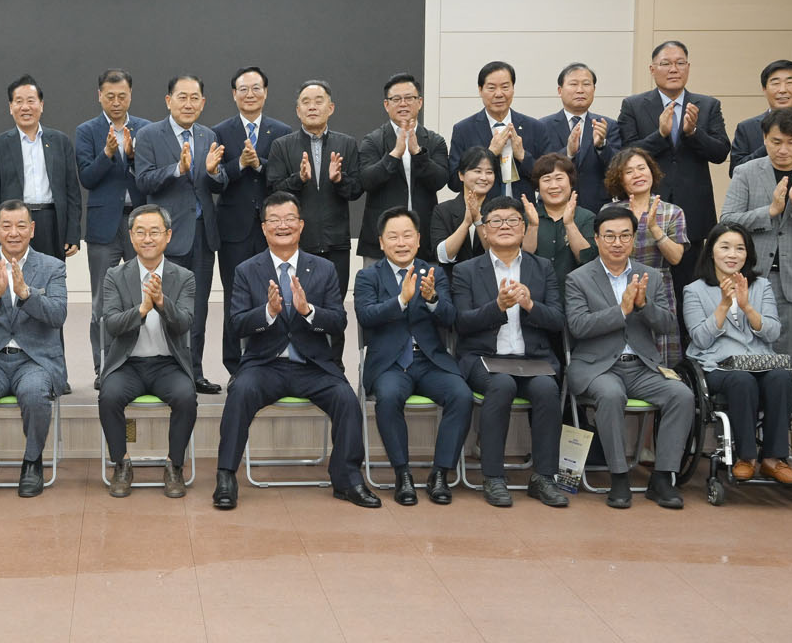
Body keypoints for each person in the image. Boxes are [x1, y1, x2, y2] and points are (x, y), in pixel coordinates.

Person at [212, 193, 381, 511]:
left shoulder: (324, 268)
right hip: (265, 364)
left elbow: (338, 322)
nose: (283, 226)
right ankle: (226, 477)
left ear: (301, 225)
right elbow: (236, 325)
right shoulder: (247, 270)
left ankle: (348, 480)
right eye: (274, 220)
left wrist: (308, 311)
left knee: (346, 399)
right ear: (264, 228)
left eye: (289, 219)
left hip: (312, 365)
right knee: (240, 392)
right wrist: (268, 312)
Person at [564, 205, 696, 509]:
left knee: (682, 395)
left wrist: (643, 306)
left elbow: (667, 325)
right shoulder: (578, 278)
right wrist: (621, 311)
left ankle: (662, 478)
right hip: (598, 368)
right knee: (611, 395)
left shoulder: (650, 275)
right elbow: (578, 327)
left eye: (625, 235)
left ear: (634, 239)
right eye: (609, 236)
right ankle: (619, 477)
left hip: (642, 367)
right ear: (597, 239)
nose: (617, 242)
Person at [450, 197, 568, 508]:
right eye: (496, 221)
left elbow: (557, 321)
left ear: (524, 228)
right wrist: (497, 307)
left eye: (513, 220)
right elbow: (461, 322)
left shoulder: (542, 268)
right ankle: (493, 477)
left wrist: (530, 305)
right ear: (485, 230)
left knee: (547, 389)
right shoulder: (465, 270)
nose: (505, 226)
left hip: (533, 360)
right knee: (501, 385)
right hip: (483, 358)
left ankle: (544, 477)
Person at [354, 206, 473, 506]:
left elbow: (451, 318)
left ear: (418, 240)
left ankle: (440, 474)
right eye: (393, 237)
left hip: (430, 361)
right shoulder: (368, 276)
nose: (401, 243)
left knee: (461, 395)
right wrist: (401, 300)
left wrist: (432, 299)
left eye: (407, 235)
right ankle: (402, 474)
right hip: (391, 365)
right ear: (381, 242)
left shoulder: (433, 273)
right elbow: (366, 316)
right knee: (388, 397)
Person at [0, 200, 69, 498]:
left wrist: (26, 294)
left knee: (35, 394)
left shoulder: (53, 267)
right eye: (6, 226)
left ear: (32, 229)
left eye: (21, 226)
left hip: (34, 359)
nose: (14, 233)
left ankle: (32, 463)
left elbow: (58, 315)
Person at [683, 223, 792, 483]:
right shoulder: (694, 290)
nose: (732, 254)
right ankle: (746, 457)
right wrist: (724, 305)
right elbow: (700, 339)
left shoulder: (761, 286)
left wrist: (747, 307)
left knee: (781, 378)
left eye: (740, 248)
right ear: (711, 251)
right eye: (725, 247)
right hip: (717, 365)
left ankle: (773, 459)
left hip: (759, 360)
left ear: (748, 253)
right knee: (741, 380)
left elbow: (773, 332)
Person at [97, 204, 199, 498]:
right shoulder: (115, 275)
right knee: (108, 396)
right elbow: (112, 324)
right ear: (131, 237)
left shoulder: (184, 277)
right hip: (128, 364)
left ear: (168, 235)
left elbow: (184, 324)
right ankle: (121, 463)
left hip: (168, 364)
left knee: (186, 397)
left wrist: (162, 303)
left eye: (155, 232)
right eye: (140, 232)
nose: (147, 239)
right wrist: (141, 309)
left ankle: (174, 465)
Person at [134, 74, 227, 391]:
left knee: (197, 310)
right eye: (182, 97)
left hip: (202, 234)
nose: (188, 103)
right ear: (168, 100)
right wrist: (178, 169)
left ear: (203, 102)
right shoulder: (148, 135)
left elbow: (218, 183)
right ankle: (165, 372)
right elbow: (143, 181)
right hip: (166, 236)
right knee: (164, 307)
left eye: (194, 98)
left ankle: (194, 372)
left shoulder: (208, 134)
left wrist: (214, 172)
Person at [719, 107, 792, 364]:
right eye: (776, 142)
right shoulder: (746, 172)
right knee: (745, 350)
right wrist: (769, 211)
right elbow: (727, 221)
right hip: (751, 274)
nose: (783, 150)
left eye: (791, 142)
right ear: (764, 139)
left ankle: (785, 390)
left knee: (785, 356)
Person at [616, 41, 729, 285]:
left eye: (680, 63)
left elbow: (721, 152)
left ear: (688, 67)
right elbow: (625, 154)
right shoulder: (633, 105)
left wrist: (693, 132)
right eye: (666, 63)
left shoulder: (708, 105)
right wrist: (660, 135)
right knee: (645, 285)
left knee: (690, 288)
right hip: (648, 210)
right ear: (652, 69)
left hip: (693, 211)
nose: (674, 69)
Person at [212, 65, 295, 379]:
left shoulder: (282, 132)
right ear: (234, 94)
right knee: (235, 298)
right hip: (233, 230)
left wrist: (259, 164)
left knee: (273, 294)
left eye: (256, 88)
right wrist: (238, 164)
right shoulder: (219, 132)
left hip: (273, 228)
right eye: (243, 89)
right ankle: (234, 365)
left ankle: (269, 358)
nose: (250, 94)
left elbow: (285, 178)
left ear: (266, 92)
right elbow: (215, 180)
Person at [77, 69, 148, 380]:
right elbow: (87, 177)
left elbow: (149, 177)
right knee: (101, 300)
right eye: (110, 96)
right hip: (104, 225)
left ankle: (140, 362)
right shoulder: (87, 131)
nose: (116, 102)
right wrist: (107, 153)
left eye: (122, 96)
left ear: (130, 95)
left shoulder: (146, 129)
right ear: (99, 96)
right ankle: (103, 365)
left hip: (139, 224)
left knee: (140, 296)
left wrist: (131, 157)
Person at [264, 79, 362, 295]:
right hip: (297, 244)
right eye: (306, 102)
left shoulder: (346, 143)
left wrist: (339, 180)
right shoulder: (281, 145)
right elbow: (274, 190)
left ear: (331, 108)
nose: (312, 107)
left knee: (334, 305)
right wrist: (298, 179)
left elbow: (356, 190)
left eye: (319, 101)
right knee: (296, 304)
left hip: (336, 243)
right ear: (298, 110)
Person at [0, 74, 80, 262]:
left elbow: (72, 192)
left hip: (51, 223)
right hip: (14, 226)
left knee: (51, 276)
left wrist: (73, 233)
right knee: (13, 276)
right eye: (19, 101)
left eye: (31, 101)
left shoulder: (60, 141)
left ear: (41, 105)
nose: (25, 107)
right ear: (10, 107)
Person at [604, 146, 688, 362]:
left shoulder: (672, 211)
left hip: (659, 285)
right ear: (620, 180)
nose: (637, 174)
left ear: (652, 171)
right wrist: (630, 226)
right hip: (619, 284)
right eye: (629, 171)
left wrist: (653, 227)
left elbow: (676, 258)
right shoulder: (610, 212)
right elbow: (609, 255)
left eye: (642, 168)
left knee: (661, 354)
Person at [356, 72, 450, 267]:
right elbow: (366, 180)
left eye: (409, 98)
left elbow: (440, 180)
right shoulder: (372, 141)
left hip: (423, 239)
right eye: (396, 99)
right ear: (386, 105)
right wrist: (394, 154)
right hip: (380, 242)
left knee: (426, 287)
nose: (403, 104)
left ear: (419, 102)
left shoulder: (434, 141)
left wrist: (418, 153)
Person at [449, 61, 549, 198]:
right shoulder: (464, 130)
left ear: (513, 88)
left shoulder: (535, 127)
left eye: (505, 87)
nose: (499, 94)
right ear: (480, 90)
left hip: (522, 208)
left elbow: (548, 178)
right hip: (481, 209)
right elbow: (454, 182)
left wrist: (523, 156)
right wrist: (489, 154)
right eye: (491, 88)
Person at [539, 62, 620, 213]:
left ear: (594, 89)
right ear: (560, 90)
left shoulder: (608, 125)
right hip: (555, 207)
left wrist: (602, 146)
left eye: (586, 84)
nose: (580, 90)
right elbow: (539, 170)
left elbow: (618, 168)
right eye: (573, 84)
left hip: (598, 208)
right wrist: (568, 153)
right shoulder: (542, 126)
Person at [730, 59, 792, 170]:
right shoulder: (747, 128)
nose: (782, 90)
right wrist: (770, 144)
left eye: (789, 83)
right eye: (775, 83)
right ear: (764, 89)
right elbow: (735, 170)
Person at [525, 153, 595, 302]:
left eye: (559, 178)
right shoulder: (528, 217)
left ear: (571, 182)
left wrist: (569, 224)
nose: (553, 186)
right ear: (538, 186)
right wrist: (532, 226)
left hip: (577, 296)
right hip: (534, 297)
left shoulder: (586, 217)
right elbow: (523, 259)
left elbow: (587, 259)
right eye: (546, 180)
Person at [428, 147, 498, 267]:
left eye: (489, 172)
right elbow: (442, 256)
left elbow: (498, 252)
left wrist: (478, 220)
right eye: (477, 171)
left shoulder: (499, 209)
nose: (484, 177)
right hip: (453, 277)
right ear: (461, 175)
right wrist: (466, 223)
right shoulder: (443, 210)